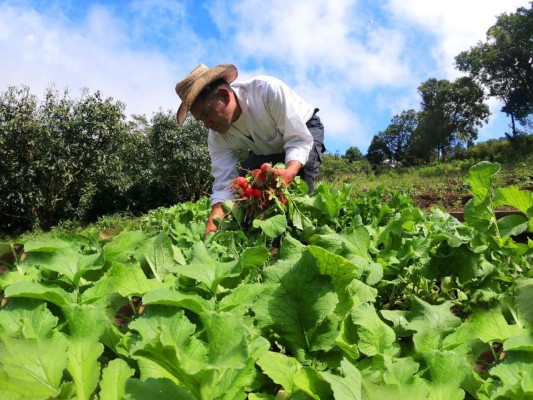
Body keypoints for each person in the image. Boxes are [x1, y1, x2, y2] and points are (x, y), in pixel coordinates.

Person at [175, 64, 325, 234]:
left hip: (303, 130)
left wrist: (290, 172)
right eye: (200, 120)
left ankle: (305, 232)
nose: (206, 125)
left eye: (206, 114)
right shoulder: (216, 135)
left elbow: (297, 139)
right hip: (263, 149)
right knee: (243, 193)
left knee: (300, 193)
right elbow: (224, 181)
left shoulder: (266, 90)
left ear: (224, 95)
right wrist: (213, 222)